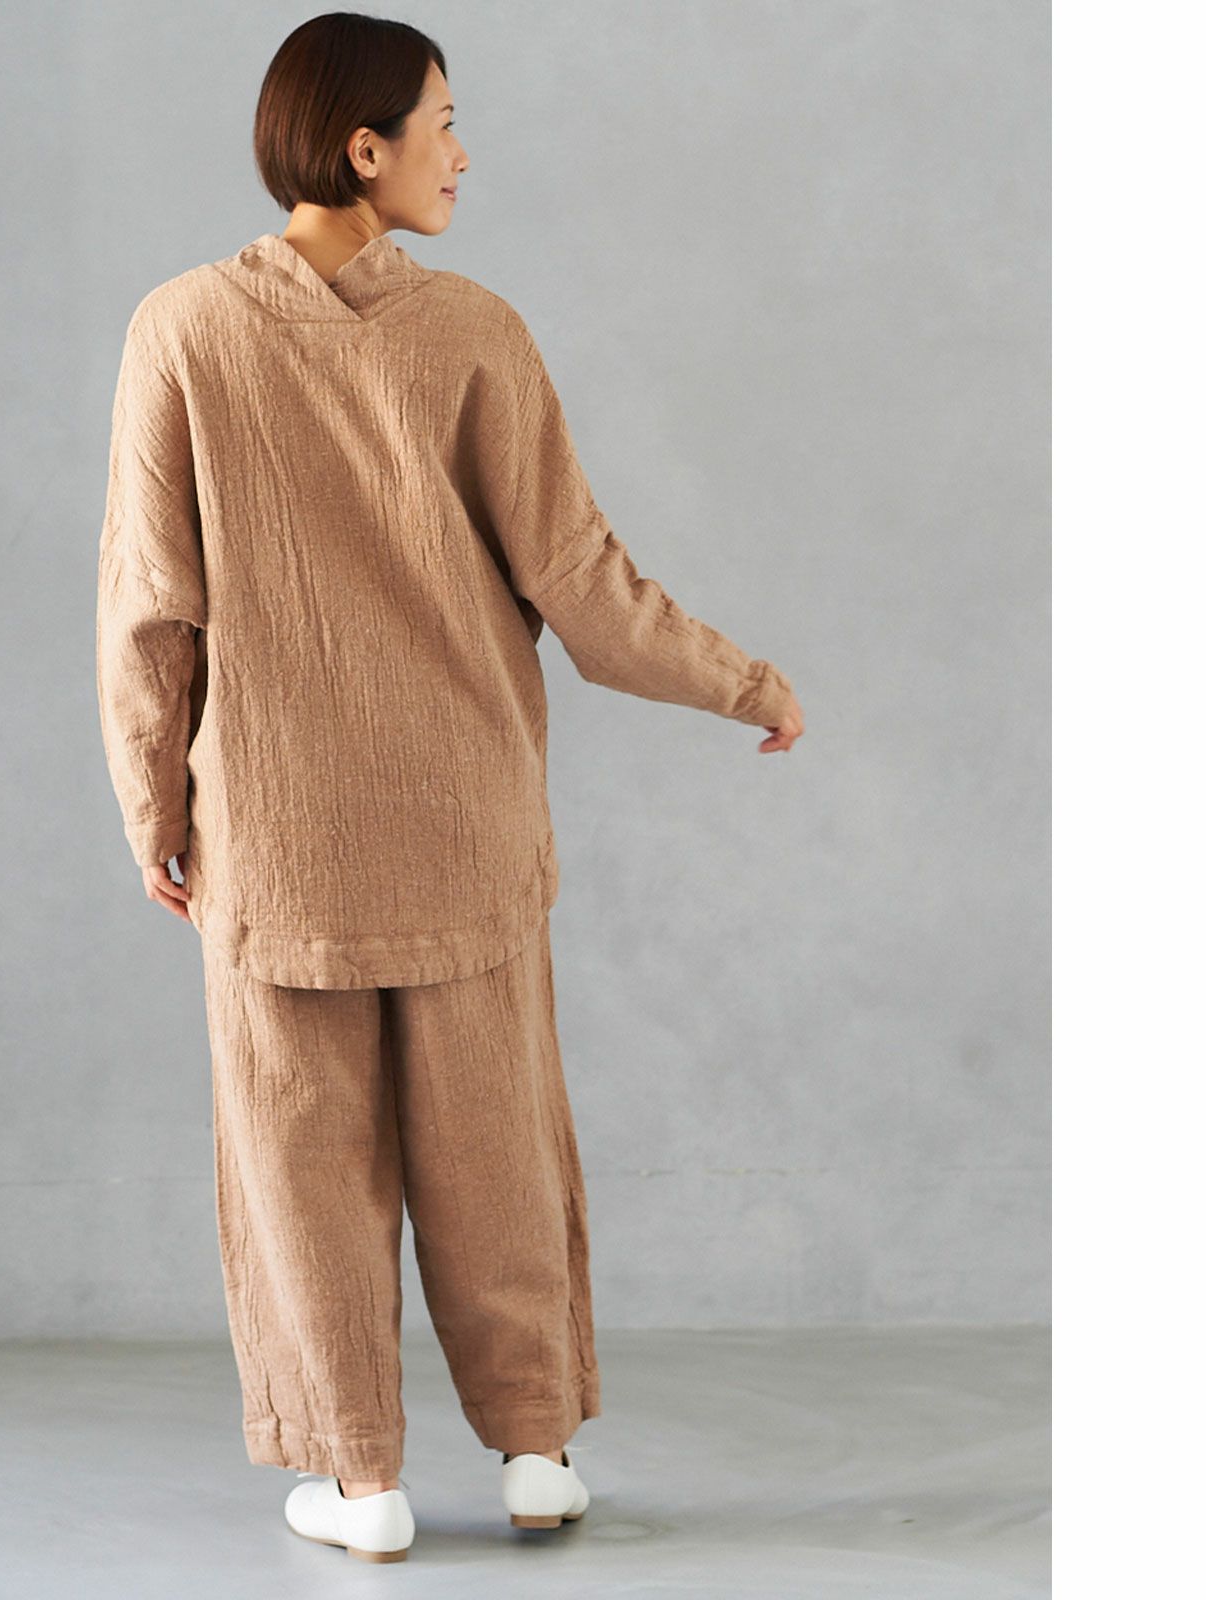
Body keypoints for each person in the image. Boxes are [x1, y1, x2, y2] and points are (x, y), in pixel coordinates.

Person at [96, 12, 804, 1562]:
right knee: (498, 1146)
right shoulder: (476, 331)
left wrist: (157, 812)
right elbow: (586, 585)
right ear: (368, 150)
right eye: (445, 124)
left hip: (278, 837)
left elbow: (152, 608)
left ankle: (362, 1484)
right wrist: (747, 682)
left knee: (301, 1163)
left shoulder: (182, 330)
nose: (463, 154)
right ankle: (538, 1454)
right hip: (466, 826)